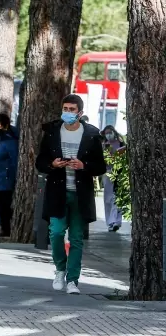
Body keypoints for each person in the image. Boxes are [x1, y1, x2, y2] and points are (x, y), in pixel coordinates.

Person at [35, 94, 106, 295]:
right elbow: (40, 161)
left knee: (76, 238)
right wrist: (52, 164)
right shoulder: (52, 132)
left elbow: (100, 166)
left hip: (80, 194)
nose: (67, 112)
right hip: (58, 190)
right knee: (56, 233)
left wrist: (84, 166)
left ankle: (72, 280)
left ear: (80, 113)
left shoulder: (91, 135)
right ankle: (60, 269)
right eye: (65, 108)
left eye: (72, 110)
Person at [0, 113, 19, 238]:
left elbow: (14, 161)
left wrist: (12, 178)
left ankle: (6, 229)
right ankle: (3, 227)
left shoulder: (10, 140)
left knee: (5, 206)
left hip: (7, 178)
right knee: (0, 205)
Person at [101, 125, 125, 231]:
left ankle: (116, 221)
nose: (108, 134)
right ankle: (110, 222)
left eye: (110, 132)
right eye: (106, 133)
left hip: (119, 173)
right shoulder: (104, 145)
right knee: (108, 199)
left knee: (117, 197)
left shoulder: (120, 143)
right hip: (108, 173)